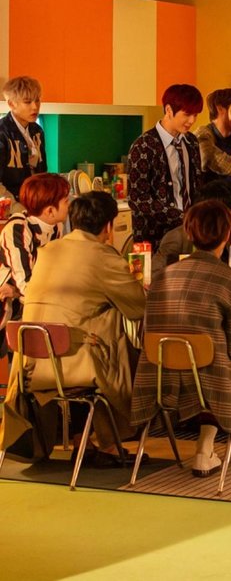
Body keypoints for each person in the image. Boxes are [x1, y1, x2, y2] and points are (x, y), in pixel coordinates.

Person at [0, 191, 146, 465]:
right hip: (75, 363)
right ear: (108, 226)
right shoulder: (103, 256)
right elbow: (138, 307)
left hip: (31, 365)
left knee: (87, 328)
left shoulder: (47, 252)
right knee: (117, 339)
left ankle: (86, 440)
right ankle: (111, 441)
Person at [130, 199, 231, 477]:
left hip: (158, 378)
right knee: (225, 364)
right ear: (227, 234)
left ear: (188, 233)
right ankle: (222, 441)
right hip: (210, 380)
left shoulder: (160, 278)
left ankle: (207, 448)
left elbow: (145, 331)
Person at [127, 83, 204, 252]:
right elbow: (137, 198)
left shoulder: (191, 142)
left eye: (195, 115)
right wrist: (181, 217)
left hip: (190, 233)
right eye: (187, 114)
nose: (192, 121)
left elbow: (197, 185)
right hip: (154, 238)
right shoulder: (143, 146)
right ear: (168, 110)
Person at [0, 173, 70, 354]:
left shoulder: (55, 227)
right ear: (50, 211)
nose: (69, 205)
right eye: (65, 201)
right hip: (8, 309)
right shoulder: (18, 229)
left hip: (27, 305)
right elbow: (26, 285)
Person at [0, 76, 47, 212]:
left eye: (37, 100)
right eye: (27, 102)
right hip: (9, 208)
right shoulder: (2, 132)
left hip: (34, 204)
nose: (35, 107)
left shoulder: (37, 131)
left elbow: (42, 172)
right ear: (11, 104)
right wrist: (15, 207)